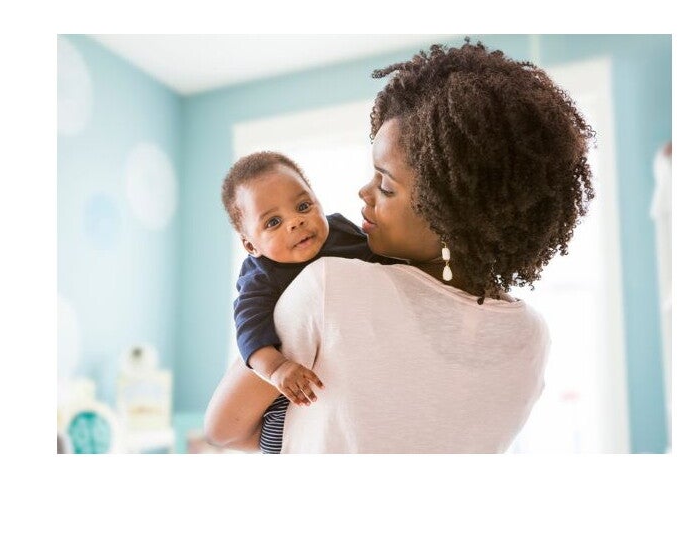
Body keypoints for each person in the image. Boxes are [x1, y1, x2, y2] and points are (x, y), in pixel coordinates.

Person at [205, 40, 595, 453]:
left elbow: (223, 429)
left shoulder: (330, 286)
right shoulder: (532, 337)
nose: (364, 192)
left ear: (449, 211)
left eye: (386, 186)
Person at [220, 151, 396, 453]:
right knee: (281, 438)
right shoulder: (260, 274)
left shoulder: (341, 230)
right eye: (273, 222)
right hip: (290, 390)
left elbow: (384, 265)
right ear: (251, 244)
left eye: (303, 206)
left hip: (349, 374)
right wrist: (277, 369)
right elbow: (249, 331)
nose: (295, 222)